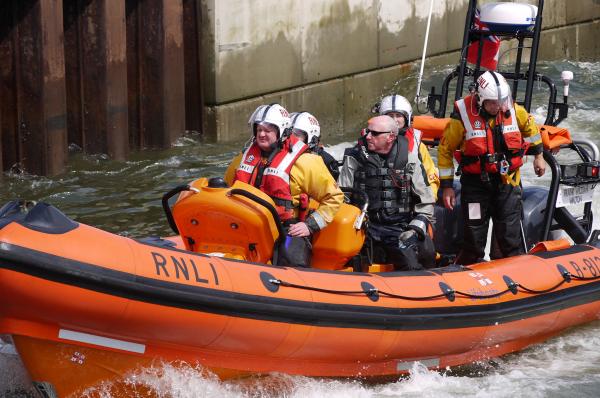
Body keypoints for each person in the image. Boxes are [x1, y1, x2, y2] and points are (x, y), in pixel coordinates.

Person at [438, 71, 545, 265]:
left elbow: (531, 130)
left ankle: (513, 271)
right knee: (473, 233)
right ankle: (471, 270)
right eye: (493, 103)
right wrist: (446, 186)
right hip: (475, 184)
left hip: (507, 182)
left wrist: (539, 156)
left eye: (501, 101)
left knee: (509, 234)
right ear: (479, 99)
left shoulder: (514, 110)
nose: (498, 107)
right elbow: (445, 149)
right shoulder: (462, 116)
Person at [224, 103, 343, 265]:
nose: (262, 134)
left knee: (291, 259)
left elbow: (334, 197)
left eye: (268, 130)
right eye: (259, 130)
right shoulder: (244, 157)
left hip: (285, 228)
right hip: (245, 223)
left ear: (282, 131)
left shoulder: (305, 161)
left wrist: (310, 225)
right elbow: (226, 188)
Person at [338, 115, 436, 271]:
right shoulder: (355, 156)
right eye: (368, 132)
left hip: (399, 227)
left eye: (375, 133)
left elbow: (426, 200)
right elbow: (342, 195)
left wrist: (414, 229)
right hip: (362, 226)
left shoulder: (410, 158)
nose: (368, 136)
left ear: (391, 137)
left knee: (418, 257)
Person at [376, 94, 440, 198]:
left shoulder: (417, 145)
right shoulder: (370, 141)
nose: (394, 120)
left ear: (407, 118)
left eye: (398, 115)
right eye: (390, 116)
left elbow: (430, 176)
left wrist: (427, 204)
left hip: (407, 201)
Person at [290, 111, 340, 180]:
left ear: (311, 139)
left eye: (296, 134)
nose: (291, 138)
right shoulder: (281, 153)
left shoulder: (326, 162)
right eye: (289, 133)